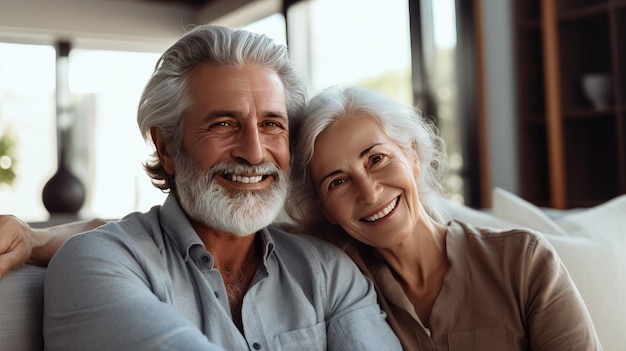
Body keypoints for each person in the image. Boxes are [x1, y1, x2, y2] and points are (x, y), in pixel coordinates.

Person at [1, 25, 402, 351]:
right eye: (223, 124)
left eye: (271, 124)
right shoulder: (97, 263)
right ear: (167, 147)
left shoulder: (329, 272)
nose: (254, 151)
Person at [284, 86, 602, 350]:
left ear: (412, 156)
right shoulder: (337, 292)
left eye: (376, 159)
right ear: (326, 211)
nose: (368, 193)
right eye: (337, 182)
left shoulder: (523, 261)